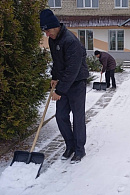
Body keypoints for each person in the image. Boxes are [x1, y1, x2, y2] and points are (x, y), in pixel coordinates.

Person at [40, 9, 89, 163]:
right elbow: (58, 62)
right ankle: (70, 145)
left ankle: (80, 150)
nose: (47, 34)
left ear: (55, 27)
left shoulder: (71, 41)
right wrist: (54, 77)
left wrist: (59, 90)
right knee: (61, 117)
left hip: (77, 83)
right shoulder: (53, 40)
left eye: (48, 30)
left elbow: (72, 70)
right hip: (64, 83)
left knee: (78, 117)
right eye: (45, 31)